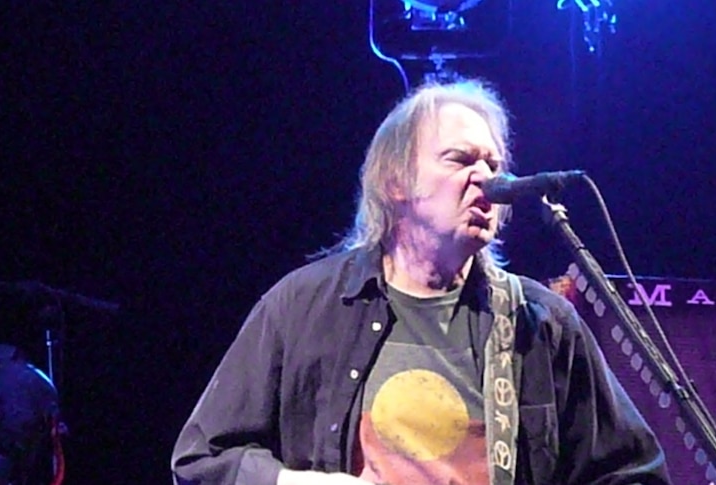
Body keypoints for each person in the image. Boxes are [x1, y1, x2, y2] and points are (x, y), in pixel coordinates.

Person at [171, 79, 671, 485]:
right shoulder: (301, 307)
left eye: (494, 165)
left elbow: (632, 473)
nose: (486, 178)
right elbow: (203, 459)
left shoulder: (538, 324)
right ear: (395, 182)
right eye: (460, 159)